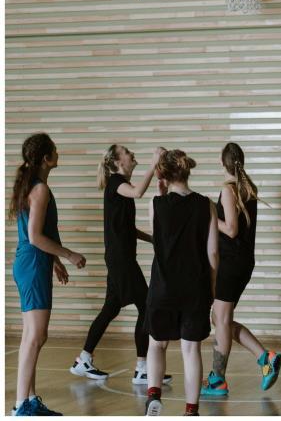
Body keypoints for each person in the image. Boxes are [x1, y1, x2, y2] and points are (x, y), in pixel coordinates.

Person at [70, 145, 171, 386]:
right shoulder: (116, 183)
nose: (132, 153)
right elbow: (138, 192)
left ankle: (83, 359)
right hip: (121, 260)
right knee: (147, 307)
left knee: (110, 308)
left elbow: (126, 228)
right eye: (126, 152)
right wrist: (153, 162)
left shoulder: (118, 188)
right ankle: (142, 368)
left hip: (119, 258)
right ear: (117, 161)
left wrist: (152, 239)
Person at [10, 133, 86, 416]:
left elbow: (39, 233)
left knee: (33, 335)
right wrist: (68, 254)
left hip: (32, 263)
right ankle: (22, 405)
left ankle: (28, 400)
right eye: (54, 148)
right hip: (31, 264)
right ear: (46, 158)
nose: (58, 151)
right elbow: (34, 237)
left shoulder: (34, 186)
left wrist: (55, 261)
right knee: (35, 337)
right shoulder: (39, 189)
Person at [201, 142, 281, 398]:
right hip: (243, 261)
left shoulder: (228, 189)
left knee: (221, 319)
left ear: (220, 161)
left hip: (231, 261)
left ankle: (218, 380)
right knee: (220, 319)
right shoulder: (248, 187)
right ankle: (264, 356)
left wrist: (210, 214)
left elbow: (232, 229)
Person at [144, 149, 218, 416]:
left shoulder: (156, 204)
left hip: (163, 286)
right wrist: (211, 289)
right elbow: (212, 253)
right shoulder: (206, 204)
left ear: (162, 175)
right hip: (195, 287)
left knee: (157, 343)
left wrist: (159, 190)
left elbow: (157, 238)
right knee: (191, 349)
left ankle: (153, 394)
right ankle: (191, 409)